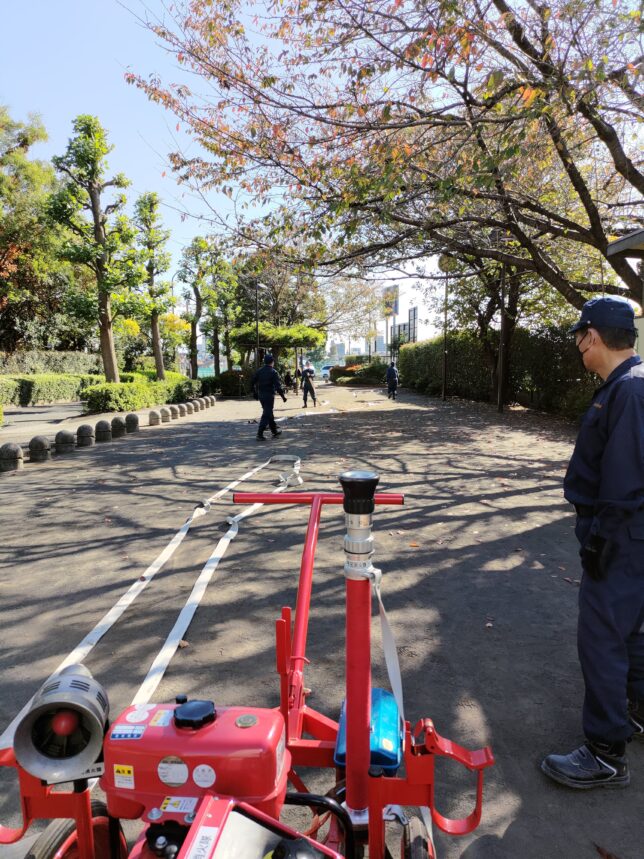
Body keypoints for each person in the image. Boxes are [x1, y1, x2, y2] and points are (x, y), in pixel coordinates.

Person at [541, 296, 644, 790]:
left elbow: (624, 478)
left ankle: (605, 753)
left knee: (602, 639)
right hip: (629, 535)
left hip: (622, 537)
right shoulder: (628, 386)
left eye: (580, 336)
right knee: (631, 634)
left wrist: (600, 538)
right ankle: (633, 715)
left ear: (594, 336)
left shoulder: (628, 391)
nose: (579, 345)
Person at [252, 354, 287, 441]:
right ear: (272, 362)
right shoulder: (273, 372)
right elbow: (278, 386)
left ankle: (274, 431)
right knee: (266, 414)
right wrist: (283, 396)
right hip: (269, 396)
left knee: (269, 413)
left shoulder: (259, 371)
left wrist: (254, 393)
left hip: (261, 395)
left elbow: (251, 382)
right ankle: (259, 434)